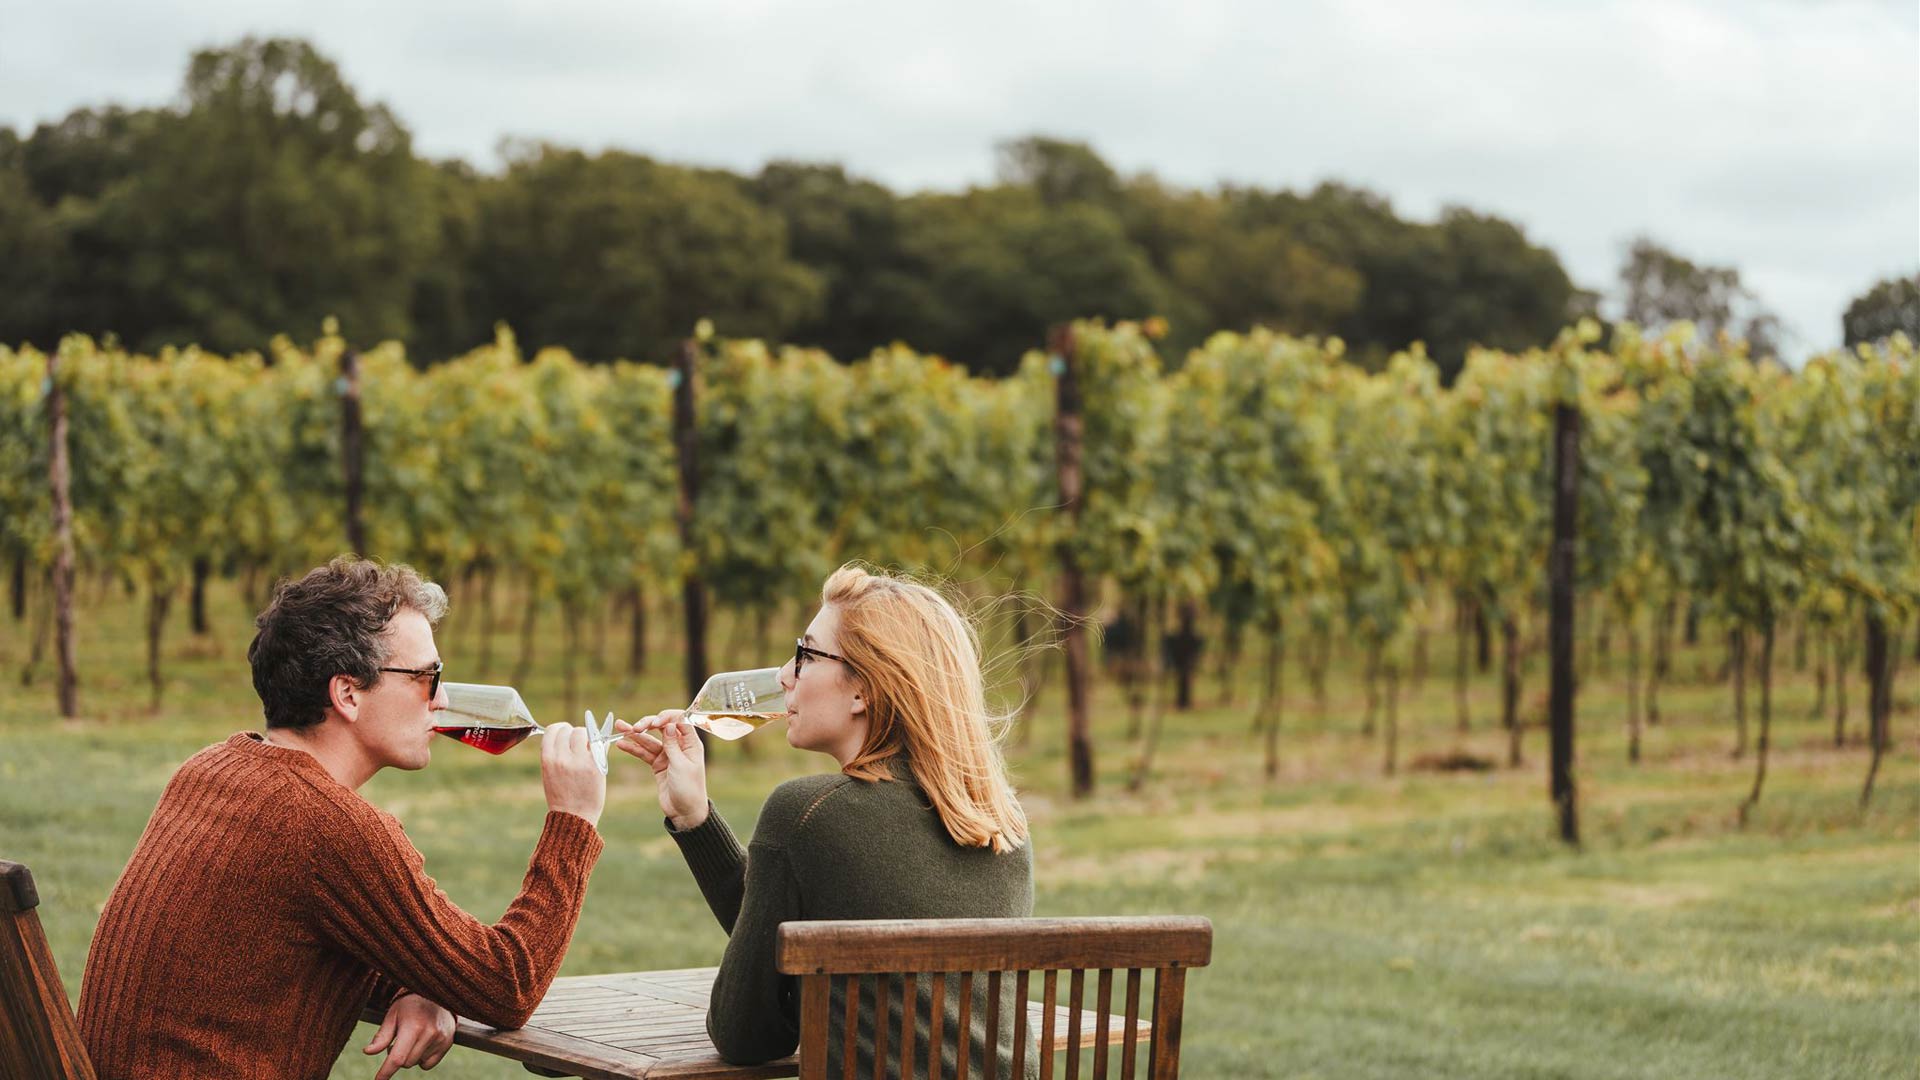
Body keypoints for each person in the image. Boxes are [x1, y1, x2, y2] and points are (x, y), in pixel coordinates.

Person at [77, 556, 608, 1080]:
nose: (442, 700)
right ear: (348, 693)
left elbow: (294, 945)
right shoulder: (327, 827)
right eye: (427, 678)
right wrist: (573, 819)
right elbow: (506, 987)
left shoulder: (211, 770)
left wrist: (417, 984)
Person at [616, 564, 1035, 1079]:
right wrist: (695, 818)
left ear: (863, 690)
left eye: (806, 655)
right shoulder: (1002, 827)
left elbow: (745, 1034)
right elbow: (782, 945)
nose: (783, 675)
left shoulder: (806, 815)